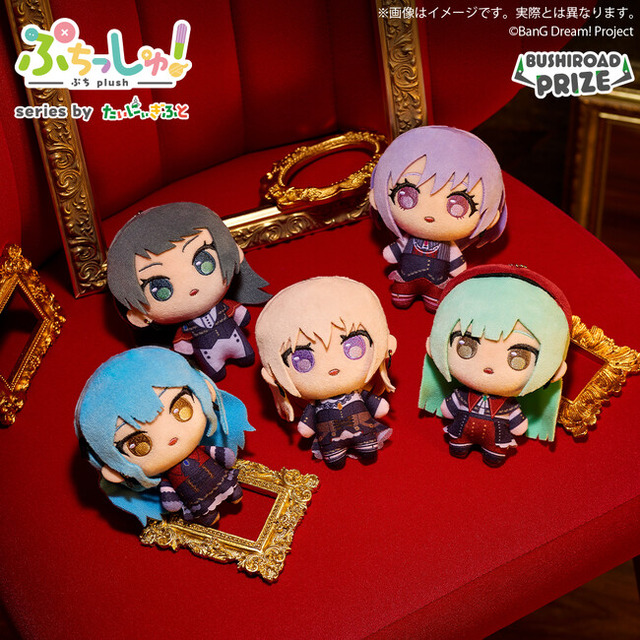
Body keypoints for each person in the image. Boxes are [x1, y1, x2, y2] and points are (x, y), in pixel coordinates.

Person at [75, 346, 253, 525]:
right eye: (139, 445)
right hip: (196, 500)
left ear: (206, 391)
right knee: (204, 510)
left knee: (230, 488)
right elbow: (171, 501)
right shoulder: (166, 479)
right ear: (115, 471)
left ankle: (232, 494)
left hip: (220, 480)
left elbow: (225, 457)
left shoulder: (203, 448)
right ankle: (209, 514)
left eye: (181, 408)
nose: (169, 436)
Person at [419, 265, 571, 466]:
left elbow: (518, 426)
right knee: (458, 444)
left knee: (494, 454)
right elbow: (448, 409)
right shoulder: (463, 396)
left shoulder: (508, 405)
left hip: (495, 439)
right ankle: (462, 445)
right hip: (461, 431)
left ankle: (492, 453)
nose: (489, 366)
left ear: (555, 370)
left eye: (518, 358)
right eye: (466, 347)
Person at [107, 202, 271, 381]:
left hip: (236, 340)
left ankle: (242, 356)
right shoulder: (185, 329)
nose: (191, 285)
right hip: (208, 355)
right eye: (161, 289)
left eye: (204, 262)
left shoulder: (225, 308)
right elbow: (182, 345)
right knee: (216, 372)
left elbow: (242, 316)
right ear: (138, 317)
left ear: (235, 253)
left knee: (246, 355)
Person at [255, 277, 396, 469]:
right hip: (331, 438)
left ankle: (365, 447)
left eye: (353, 347)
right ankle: (336, 455)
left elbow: (380, 408)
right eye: (303, 360)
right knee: (335, 460)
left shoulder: (359, 395)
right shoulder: (315, 406)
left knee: (368, 450)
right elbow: (306, 428)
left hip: (362, 430)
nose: (333, 367)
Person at [369, 126, 507, 310]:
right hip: (406, 279)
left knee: (434, 299)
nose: (430, 214)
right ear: (376, 197)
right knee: (402, 294)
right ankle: (404, 293)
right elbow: (391, 253)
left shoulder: (449, 247)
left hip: (436, 283)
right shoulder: (408, 241)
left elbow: (457, 267)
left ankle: (429, 298)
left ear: (491, 218)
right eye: (407, 196)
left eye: (457, 206)